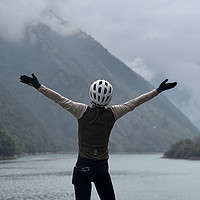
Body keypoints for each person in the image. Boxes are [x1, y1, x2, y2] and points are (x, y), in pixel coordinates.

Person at [20, 73, 177, 200]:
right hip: (101, 168)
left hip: (82, 167)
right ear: (109, 98)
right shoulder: (113, 113)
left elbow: (59, 99)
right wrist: (158, 90)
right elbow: (134, 103)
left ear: (91, 95)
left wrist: (38, 86)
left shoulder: (81, 110)